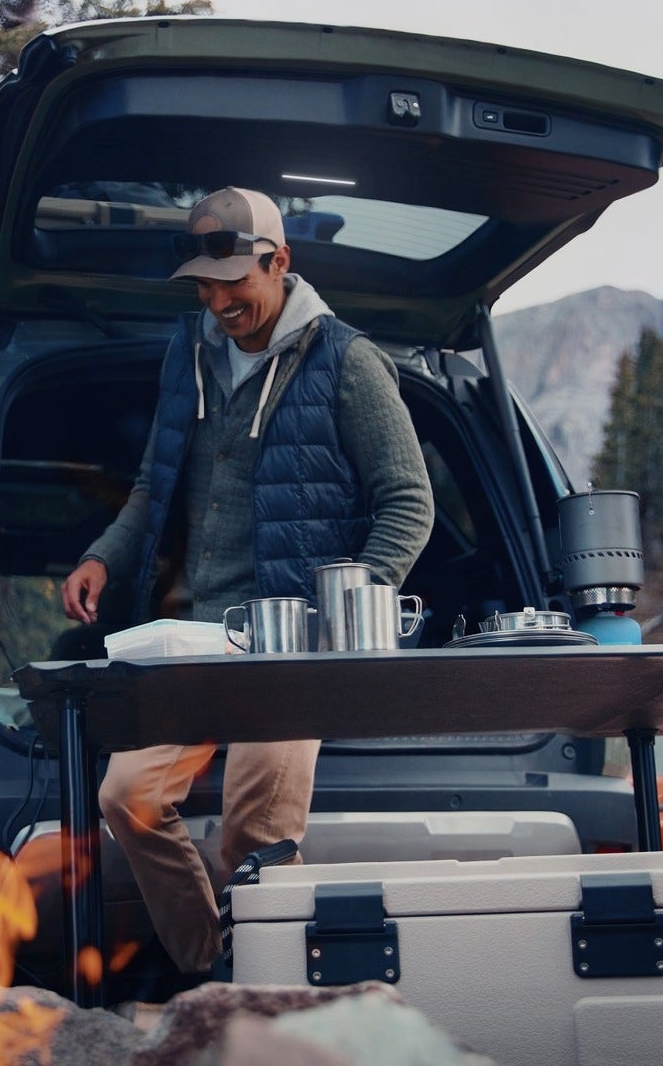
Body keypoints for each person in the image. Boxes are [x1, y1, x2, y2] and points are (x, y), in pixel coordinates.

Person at [59, 187, 433, 976]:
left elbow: (409, 502)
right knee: (124, 796)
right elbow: (152, 489)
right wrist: (104, 554)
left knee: (256, 842)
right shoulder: (188, 353)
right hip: (195, 640)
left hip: (291, 651)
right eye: (204, 281)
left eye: (235, 280)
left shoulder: (347, 362)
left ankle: (269, 997)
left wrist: (347, 606)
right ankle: (215, 974)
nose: (218, 299)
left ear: (281, 262)